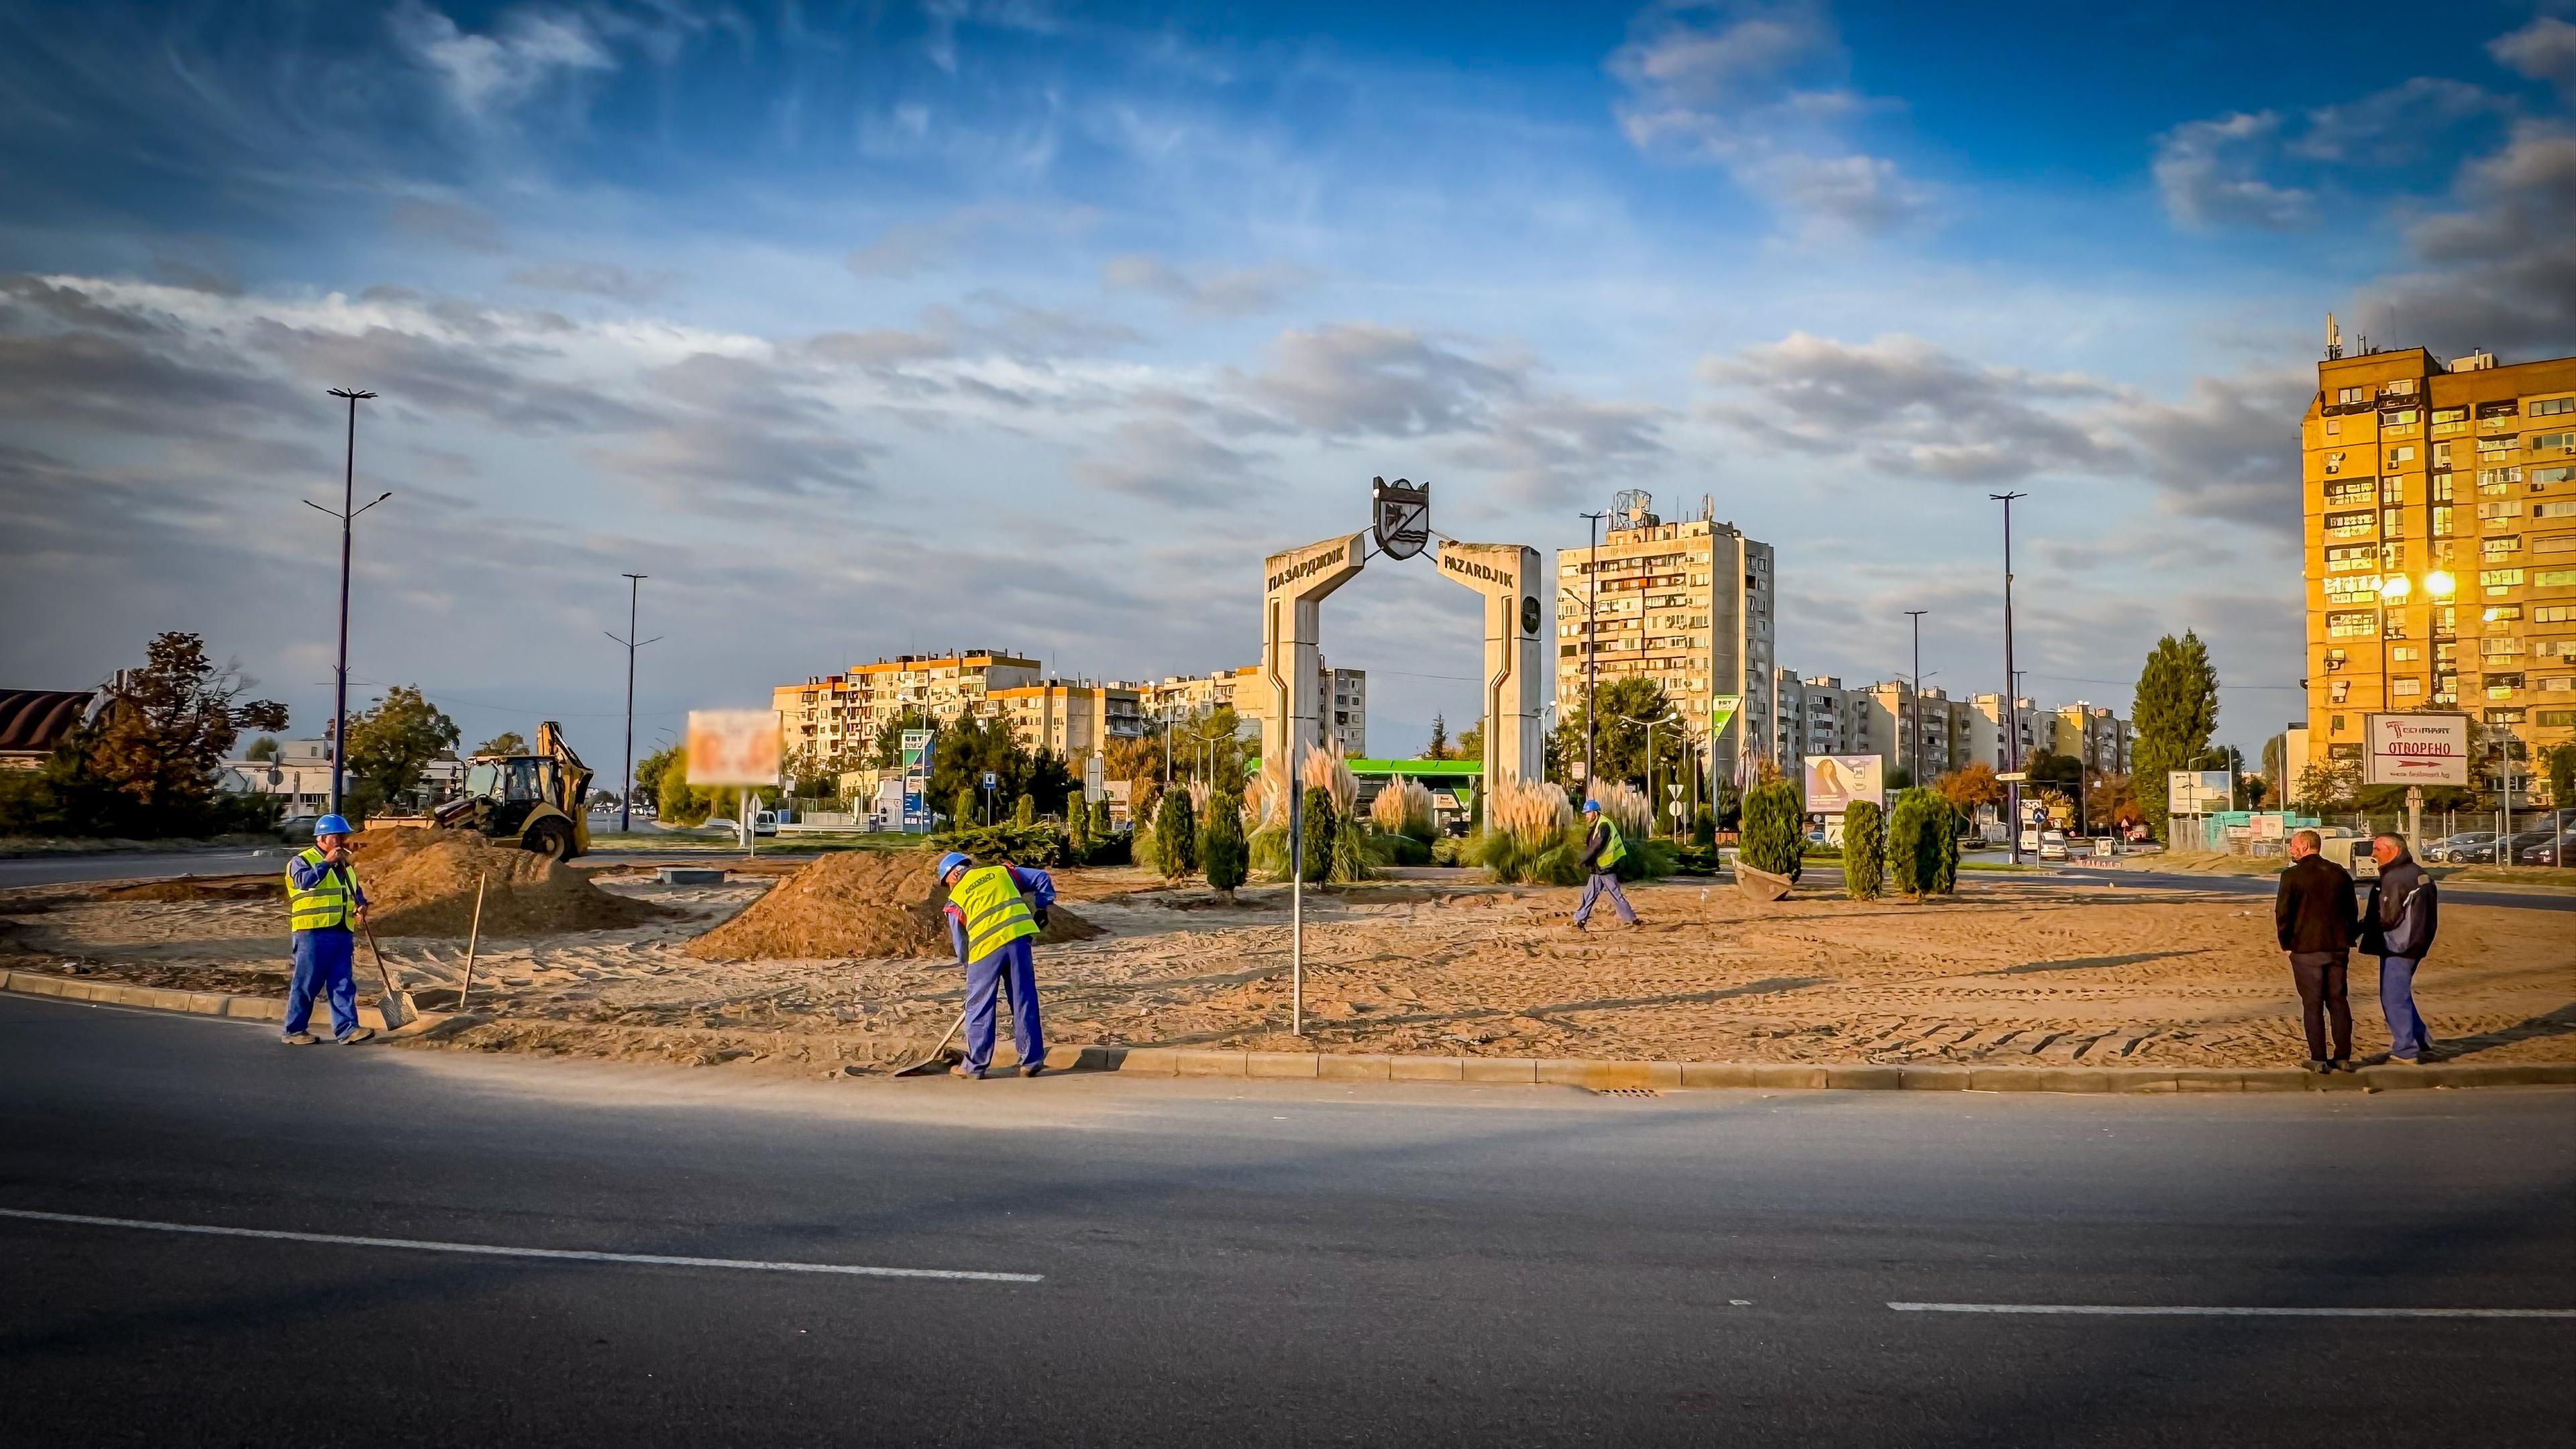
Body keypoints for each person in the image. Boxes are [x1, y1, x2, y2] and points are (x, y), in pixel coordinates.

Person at [936, 851, 1055, 1079]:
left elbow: (960, 941)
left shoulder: (956, 898)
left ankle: (975, 1066)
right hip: (1019, 942)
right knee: (1024, 1000)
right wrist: (1041, 907)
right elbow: (1041, 877)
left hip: (986, 951)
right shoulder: (1002, 873)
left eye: (946, 883)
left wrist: (967, 966)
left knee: (979, 1007)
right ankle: (1031, 1061)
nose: (948, 888)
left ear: (952, 876)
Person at [282, 814, 374, 1046]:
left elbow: (355, 891)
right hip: (312, 933)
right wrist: (326, 864)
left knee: (342, 983)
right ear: (322, 838)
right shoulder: (302, 860)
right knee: (307, 984)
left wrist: (361, 906)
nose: (342, 841)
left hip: (341, 931)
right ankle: (294, 1031)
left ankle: (347, 1030)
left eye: (344, 836)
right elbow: (304, 882)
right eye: (337, 836)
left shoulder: (345, 866)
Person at [2272, 828, 2359, 1072]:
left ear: (2305, 846)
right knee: (2339, 1002)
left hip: (2306, 948)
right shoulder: (2339, 873)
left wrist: (2287, 943)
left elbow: (2283, 913)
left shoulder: (2292, 876)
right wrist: (2348, 937)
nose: (2291, 849)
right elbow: (2351, 911)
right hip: (2337, 947)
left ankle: (2319, 1058)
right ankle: (2343, 1057)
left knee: (2313, 1004)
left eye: (2293, 845)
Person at [2360, 833, 2440, 1064]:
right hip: (2415, 943)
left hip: (2399, 945)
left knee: (2393, 997)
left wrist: (2366, 929)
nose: (2373, 855)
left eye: (2377, 849)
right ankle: (2420, 1039)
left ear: (2394, 850)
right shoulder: (2417, 873)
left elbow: (2388, 917)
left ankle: (2406, 1049)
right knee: (2400, 994)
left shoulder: (2397, 878)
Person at [1570, 799, 1639, 930]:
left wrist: (1582, 860)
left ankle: (1632, 920)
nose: (1586, 816)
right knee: (1589, 894)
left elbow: (1597, 846)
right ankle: (1579, 921)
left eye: (1588, 813)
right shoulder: (1598, 824)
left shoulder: (1604, 825)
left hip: (1606, 867)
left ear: (1595, 813)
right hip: (1599, 868)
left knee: (1615, 895)